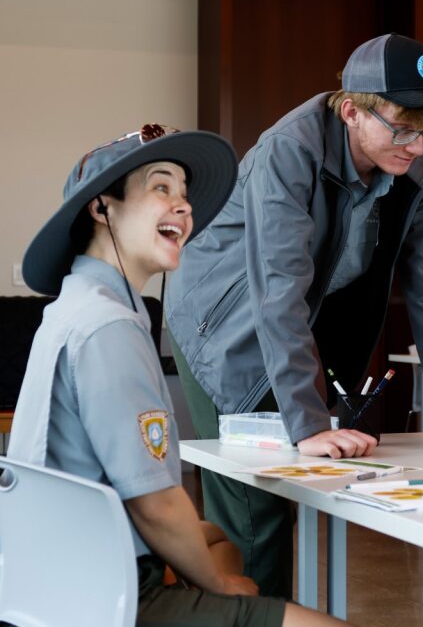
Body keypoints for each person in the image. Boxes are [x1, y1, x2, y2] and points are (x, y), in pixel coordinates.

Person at [164, 33, 423, 597]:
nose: (417, 146)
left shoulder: (419, 169)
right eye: (404, 128)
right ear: (351, 111)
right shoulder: (289, 151)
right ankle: (247, 613)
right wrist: (307, 425)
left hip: (298, 319)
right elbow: (277, 289)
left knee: (295, 487)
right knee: (256, 504)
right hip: (220, 324)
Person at [8, 125, 346, 626]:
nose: (183, 207)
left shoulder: (77, 304)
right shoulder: (108, 325)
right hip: (100, 592)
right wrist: (219, 588)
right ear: (102, 209)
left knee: (218, 541)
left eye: (184, 194)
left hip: (49, 568)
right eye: (161, 187)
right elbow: (156, 505)